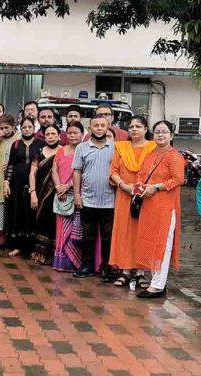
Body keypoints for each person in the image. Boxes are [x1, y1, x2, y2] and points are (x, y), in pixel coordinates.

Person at [134, 120, 186, 298]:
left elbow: (178, 179)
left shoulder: (175, 156)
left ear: (171, 135)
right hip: (149, 206)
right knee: (149, 242)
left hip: (165, 207)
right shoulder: (150, 154)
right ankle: (156, 280)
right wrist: (140, 185)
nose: (160, 135)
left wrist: (156, 187)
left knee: (162, 245)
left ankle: (157, 285)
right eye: (157, 132)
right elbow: (141, 174)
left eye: (164, 132)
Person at [108, 116, 156, 287]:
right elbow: (113, 170)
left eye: (138, 126)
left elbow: (157, 171)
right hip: (124, 195)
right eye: (131, 126)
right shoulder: (121, 147)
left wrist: (144, 188)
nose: (134, 129)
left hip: (146, 196)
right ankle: (125, 270)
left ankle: (141, 272)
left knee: (142, 232)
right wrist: (123, 185)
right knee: (124, 232)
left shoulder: (154, 148)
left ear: (145, 129)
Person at [72, 113, 116, 282]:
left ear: (107, 127)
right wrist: (77, 195)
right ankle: (87, 266)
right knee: (87, 236)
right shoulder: (81, 148)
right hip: (87, 200)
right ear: (90, 128)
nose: (99, 128)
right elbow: (77, 171)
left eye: (102, 125)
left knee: (107, 238)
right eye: (95, 125)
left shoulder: (115, 148)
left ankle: (106, 267)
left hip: (109, 201)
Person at [5, 117, 45, 256]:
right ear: (20, 129)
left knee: (32, 212)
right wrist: (6, 182)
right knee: (17, 211)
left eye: (29, 127)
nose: (27, 129)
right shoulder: (16, 144)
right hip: (16, 183)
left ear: (34, 128)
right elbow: (10, 164)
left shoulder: (41, 144)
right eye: (24, 127)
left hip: (35, 183)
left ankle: (31, 247)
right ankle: (17, 246)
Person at [52, 121, 85, 272]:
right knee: (61, 228)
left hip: (77, 193)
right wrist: (59, 186)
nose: (72, 135)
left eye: (75, 133)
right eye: (69, 133)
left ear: (82, 134)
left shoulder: (85, 150)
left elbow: (83, 172)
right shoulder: (61, 150)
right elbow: (54, 170)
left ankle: (74, 264)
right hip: (61, 195)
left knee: (75, 230)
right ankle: (61, 262)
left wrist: (68, 186)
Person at [28, 124, 61, 264]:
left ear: (59, 136)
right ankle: (40, 253)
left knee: (53, 223)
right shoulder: (39, 151)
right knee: (40, 221)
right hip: (40, 193)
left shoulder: (63, 151)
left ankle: (53, 256)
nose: (51, 137)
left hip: (57, 193)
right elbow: (32, 173)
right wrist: (33, 193)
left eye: (54, 134)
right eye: (48, 134)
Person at [0, 115, 18, 248]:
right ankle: (0, 235)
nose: (4, 131)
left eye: (7, 128)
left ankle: (12, 237)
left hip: (11, 178)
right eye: (1, 128)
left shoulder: (18, 139)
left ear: (13, 127)